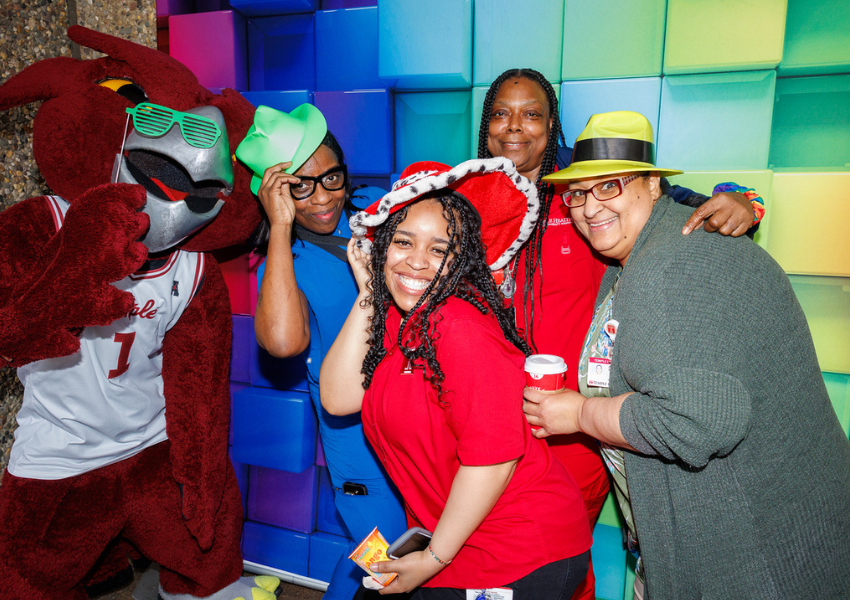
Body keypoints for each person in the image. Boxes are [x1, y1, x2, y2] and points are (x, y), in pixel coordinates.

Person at [525, 110, 850, 599]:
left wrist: (580, 413)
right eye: (578, 194)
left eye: (609, 186)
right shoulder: (636, 255)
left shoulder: (673, 264)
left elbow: (696, 422)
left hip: (753, 560)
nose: (590, 208)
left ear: (654, 186)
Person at [476, 68, 765, 600]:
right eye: (501, 113)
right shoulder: (469, 191)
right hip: (492, 415)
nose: (515, 127)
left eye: (532, 114)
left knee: (561, 554)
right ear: (485, 122)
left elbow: (688, 203)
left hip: (576, 422)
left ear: (551, 124)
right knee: (499, 554)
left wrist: (743, 198)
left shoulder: (586, 183)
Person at [321, 159, 592, 600]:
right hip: (457, 537)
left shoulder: (459, 326)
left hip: (518, 550)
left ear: (461, 260)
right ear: (382, 244)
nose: (416, 262)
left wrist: (432, 559)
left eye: (439, 249)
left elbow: (493, 459)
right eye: (403, 242)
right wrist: (370, 292)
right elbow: (338, 398)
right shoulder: (405, 318)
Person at [235, 105, 407, 600]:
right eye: (298, 186)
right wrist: (282, 229)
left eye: (329, 177)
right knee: (382, 551)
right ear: (276, 194)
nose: (322, 197)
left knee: (388, 544)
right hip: (354, 431)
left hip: (410, 407)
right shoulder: (284, 264)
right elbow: (284, 343)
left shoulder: (378, 207)